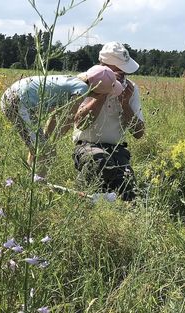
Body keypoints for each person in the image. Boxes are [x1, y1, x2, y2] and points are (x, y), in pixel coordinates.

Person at [0, 65, 123, 176]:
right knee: (45, 152)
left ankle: (31, 179)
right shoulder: (82, 90)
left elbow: (56, 114)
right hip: (17, 102)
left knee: (40, 147)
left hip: (18, 97)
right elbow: (67, 119)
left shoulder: (75, 82)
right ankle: (38, 185)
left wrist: (48, 139)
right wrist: (51, 144)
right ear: (98, 92)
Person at [72, 42, 145, 201]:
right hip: (87, 146)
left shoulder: (130, 89)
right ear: (104, 67)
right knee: (100, 162)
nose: (124, 77)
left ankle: (106, 204)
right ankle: (82, 198)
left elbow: (139, 133)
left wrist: (125, 104)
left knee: (129, 192)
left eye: (126, 73)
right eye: (120, 72)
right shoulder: (84, 83)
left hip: (116, 150)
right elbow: (80, 123)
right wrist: (103, 92)